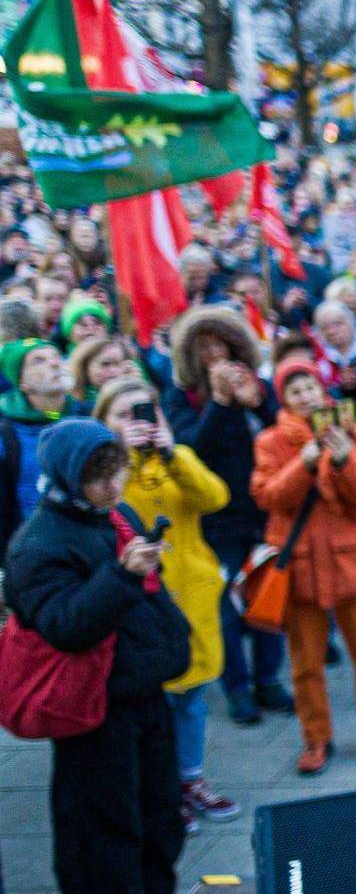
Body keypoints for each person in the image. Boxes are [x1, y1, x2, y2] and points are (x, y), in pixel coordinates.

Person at [3, 419, 189, 894]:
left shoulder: (114, 514)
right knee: (103, 835)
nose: (114, 486)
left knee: (160, 816)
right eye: (99, 477)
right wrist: (122, 577)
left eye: (118, 472)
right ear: (69, 477)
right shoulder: (37, 545)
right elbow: (67, 628)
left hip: (142, 692)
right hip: (93, 711)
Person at [92, 378, 239, 829]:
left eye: (145, 412)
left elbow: (216, 498)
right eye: (123, 415)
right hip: (140, 604)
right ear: (102, 424)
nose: (138, 423)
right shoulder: (103, 472)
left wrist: (172, 454)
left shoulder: (180, 457)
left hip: (192, 595)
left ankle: (190, 779)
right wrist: (124, 454)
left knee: (192, 699)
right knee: (151, 707)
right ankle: (160, 791)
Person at [252, 357, 356, 774]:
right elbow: (269, 497)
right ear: (283, 398)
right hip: (300, 566)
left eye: (310, 388)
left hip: (353, 562)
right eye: (295, 391)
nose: (305, 397)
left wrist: (342, 461)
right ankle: (316, 738)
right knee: (305, 664)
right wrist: (303, 462)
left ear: (323, 390)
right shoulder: (270, 441)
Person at [160, 306, 288, 726]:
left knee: (269, 593)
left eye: (222, 345)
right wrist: (219, 403)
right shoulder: (181, 397)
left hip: (263, 509)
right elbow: (191, 449)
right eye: (204, 348)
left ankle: (268, 678)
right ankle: (237, 686)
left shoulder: (260, 385)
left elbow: (285, 434)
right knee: (226, 605)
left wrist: (260, 404)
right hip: (215, 517)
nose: (215, 355)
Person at [0, 337, 86, 547]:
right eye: (39, 361)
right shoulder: (6, 434)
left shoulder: (88, 415)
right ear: (23, 383)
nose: (55, 363)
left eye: (56, 357)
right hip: (35, 547)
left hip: (90, 541)